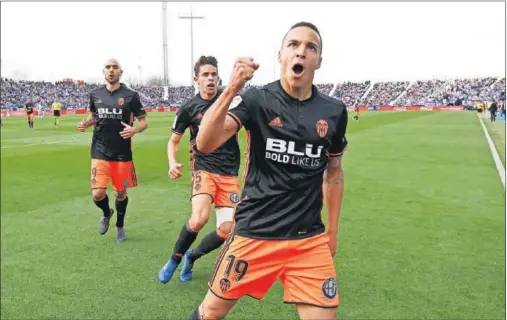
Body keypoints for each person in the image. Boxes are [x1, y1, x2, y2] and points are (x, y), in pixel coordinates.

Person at [189, 22, 348, 320]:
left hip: (308, 239)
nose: (301, 51)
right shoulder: (257, 99)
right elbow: (205, 142)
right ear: (281, 55)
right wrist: (233, 87)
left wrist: (333, 230)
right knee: (210, 312)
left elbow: (334, 171)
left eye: (310, 47)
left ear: (318, 61)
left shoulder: (334, 111)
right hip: (255, 232)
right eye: (293, 45)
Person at [158, 56, 240, 283]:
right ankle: (174, 260)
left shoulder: (231, 101)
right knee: (199, 219)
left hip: (229, 173)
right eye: (205, 75)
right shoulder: (188, 108)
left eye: (214, 74)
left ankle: (192, 257)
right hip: (203, 168)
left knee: (227, 229)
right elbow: (173, 142)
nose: (210, 78)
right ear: (196, 79)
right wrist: (172, 163)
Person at [77, 58, 148, 243]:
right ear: (104, 72)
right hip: (99, 150)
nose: (111, 70)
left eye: (115, 67)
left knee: (121, 193)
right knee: (97, 194)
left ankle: (120, 226)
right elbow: (94, 116)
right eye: (108, 67)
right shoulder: (95, 94)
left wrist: (135, 129)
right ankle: (106, 212)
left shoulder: (131, 95)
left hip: (122, 154)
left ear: (120, 72)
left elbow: (143, 121)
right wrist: (86, 123)